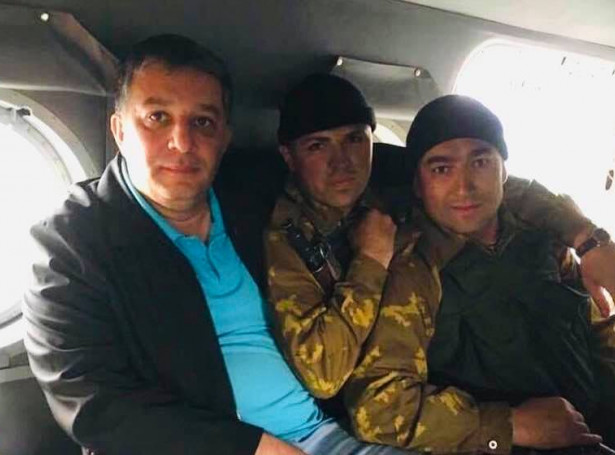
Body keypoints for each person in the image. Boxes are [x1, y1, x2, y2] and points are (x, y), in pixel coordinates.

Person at [22, 34, 408, 455]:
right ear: (120, 130)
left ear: (224, 137)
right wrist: (252, 448)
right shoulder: (73, 244)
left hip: (325, 434)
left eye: (202, 122)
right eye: (157, 117)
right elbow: (92, 405)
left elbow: (369, 163)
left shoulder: (251, 197)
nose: (182, 143)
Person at [342, 95, 615, 455]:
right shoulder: (413, 269)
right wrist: (508, 426)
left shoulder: (542, 236)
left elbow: (600, 339)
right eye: (441, 169)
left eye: (481, 162)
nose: (464, 187)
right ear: (418, 185)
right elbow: (378, 407)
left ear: (505, 172)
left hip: (603, 423)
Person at [264, 74, 615, 407]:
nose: (342, 162)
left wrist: (588, 240)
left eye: (353, 139)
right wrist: (371, 261)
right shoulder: (289, 236)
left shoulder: (389, 171)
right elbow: (325, 376)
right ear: (288, 156)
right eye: (317, 146)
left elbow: (504, 187)